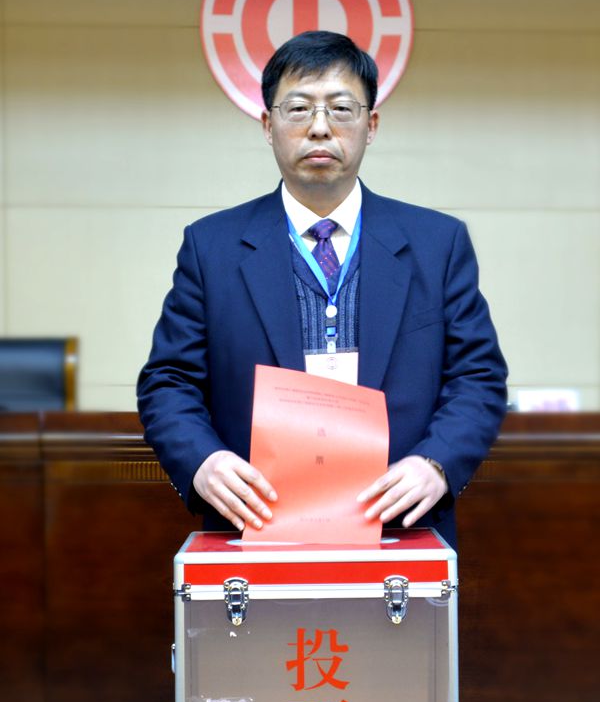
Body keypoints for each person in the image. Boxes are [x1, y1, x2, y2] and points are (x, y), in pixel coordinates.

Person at [137, 31, 507, 548]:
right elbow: (169, 380)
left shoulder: (437, 243)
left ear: (370, 125)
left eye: (341, 108)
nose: (319, 127)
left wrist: (436, 464)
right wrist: (204, 462)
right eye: (298, 109)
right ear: (267, 125)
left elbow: (477, 376)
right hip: (255, 526)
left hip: (402, 527)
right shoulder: (211, 247)